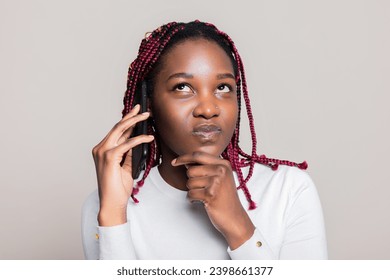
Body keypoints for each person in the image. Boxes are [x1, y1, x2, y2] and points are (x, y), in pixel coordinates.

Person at [82, 20, 327, 260]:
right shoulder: (108, 202)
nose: (208, 109)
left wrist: (238, 226)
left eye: (222, 87)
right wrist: (113, 215)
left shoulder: (288, 189)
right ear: (149, 103)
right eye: (182, 87)